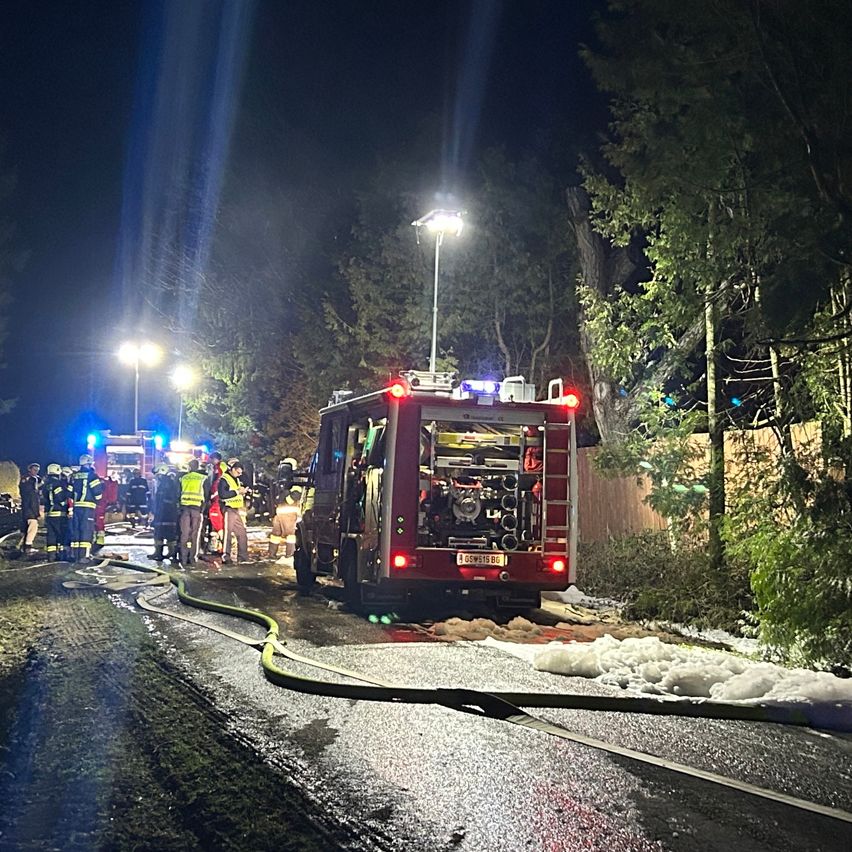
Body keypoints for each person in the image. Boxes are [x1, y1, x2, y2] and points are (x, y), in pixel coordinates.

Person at [70, 455, 103, 563]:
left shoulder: (74, 476)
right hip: (87, 507)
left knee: (77, 530)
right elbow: (98, 493)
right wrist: (98, 500)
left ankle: (75, 555)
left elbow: (70, 492)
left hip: (76, 506)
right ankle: (84, 556)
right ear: (89, 463)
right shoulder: (92, 476)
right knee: (86, 530)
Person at [178, 458, 209, 566]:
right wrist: (203, 509)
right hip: (197, 508)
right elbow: (206, 495)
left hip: (185, 509)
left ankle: (183, 558)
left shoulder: (183, 478)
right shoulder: (203, 478)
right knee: (195, 534)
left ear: (190, 467)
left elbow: (178, 494)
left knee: (184, 534)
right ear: (198, 466)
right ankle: (192, 558)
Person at [219, 458, 249, 563]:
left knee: (242, 533)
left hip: (236, 509)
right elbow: (223, 495)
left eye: (241, 473)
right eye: (238, 472)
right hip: (228, 509)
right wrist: (237, 492)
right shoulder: (224, 479)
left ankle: (243, 556)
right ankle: (226, 556)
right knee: (228, 533)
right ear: (232, 469)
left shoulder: (236, 478)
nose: (239, 474)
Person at [149, 465, 179, 562]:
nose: (156, 477)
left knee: (162, 533)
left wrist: (156, 512)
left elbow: (162, 500)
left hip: (164, 514)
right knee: (163, 534)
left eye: (157, 475)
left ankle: (163, 553)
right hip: (166, 514)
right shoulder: (167, 482)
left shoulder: (165, 484)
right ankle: (166, 553)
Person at [41, 464, 71, 561]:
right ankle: (62, 555)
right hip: (59, 514)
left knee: (51, 535)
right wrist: (67, 501)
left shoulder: (45, 485)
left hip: (49, 514)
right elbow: (60, 498)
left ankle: (51, 556)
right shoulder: (57, 484)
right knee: (62, 534)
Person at [205, 452, 227, 554]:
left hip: (217, 500)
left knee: (217, 521)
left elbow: (216, 483)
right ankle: (218, 546)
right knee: (216, 523)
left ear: (215, 459)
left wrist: (211, 496)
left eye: (211, 459)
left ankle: (222, 545)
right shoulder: (219, 467)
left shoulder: (219, 468)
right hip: (218, 499)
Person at [18, 463, 42, 553]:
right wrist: (36, 513)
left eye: (37, 470)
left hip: (26, 508)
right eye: (34, 470)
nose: (36, 472)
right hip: (30, 510)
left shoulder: (28, 481)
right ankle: (28, 546)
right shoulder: (29, 483)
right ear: (29, 469)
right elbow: (33, 500)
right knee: (33, 527)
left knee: (26, 528)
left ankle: (23, 546)